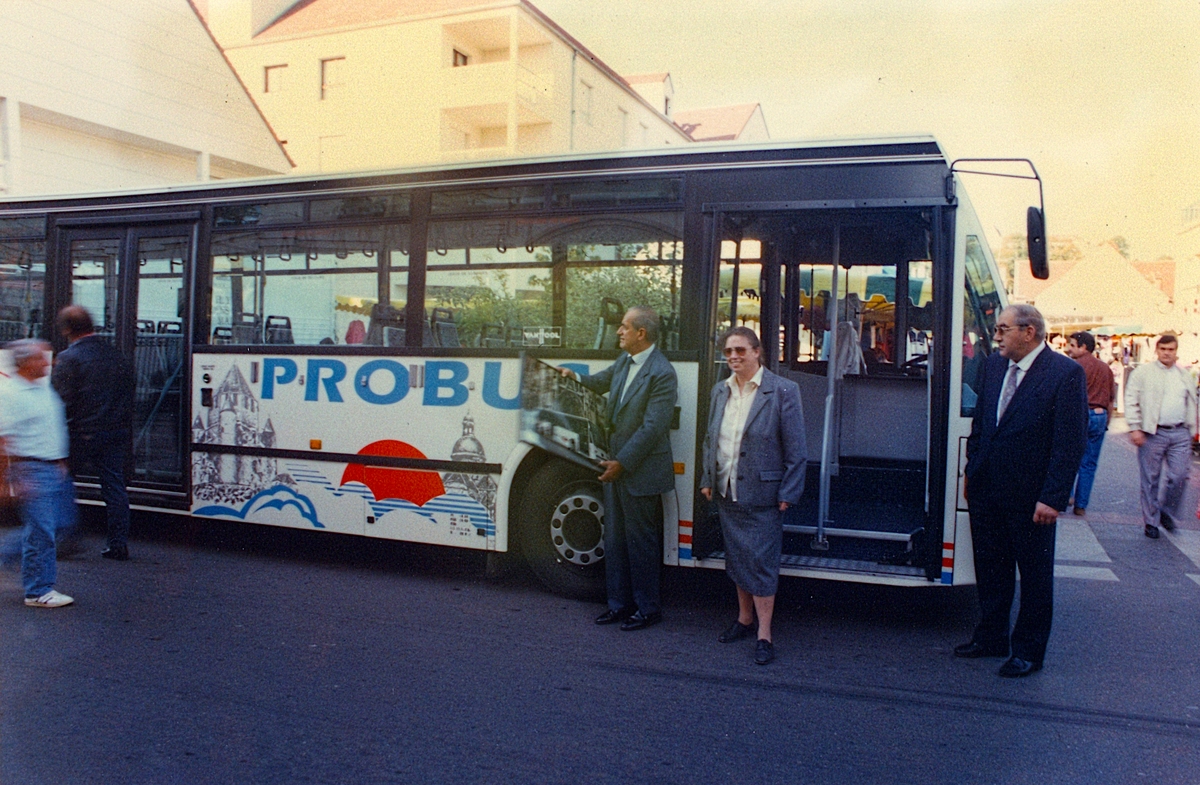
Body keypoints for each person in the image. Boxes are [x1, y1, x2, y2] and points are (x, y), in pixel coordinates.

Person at [956, 304, 1087, 677]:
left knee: (1033, 576)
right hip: (987, 490)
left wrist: (1052, 497)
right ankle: (991, 637)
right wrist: (971, 471)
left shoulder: (1065, 374)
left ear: (1028, 332)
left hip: (1032, 499)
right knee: (991, 568)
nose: (996, 335)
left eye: (1003, 328)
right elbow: (982, 425)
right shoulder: (994, 366)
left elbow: (1070, 443)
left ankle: (1028, 650)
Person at [562, 306, 677, 631]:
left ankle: (647, 609)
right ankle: (618, 605)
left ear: (641, 333)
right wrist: (577, 378)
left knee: (640, 543)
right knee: (614, 540)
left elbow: (653, 428)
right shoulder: (626, 361)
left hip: (637, 470)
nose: (618, 331)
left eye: (624, 327)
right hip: (615, 465)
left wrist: (622, 463)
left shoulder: (662, 372)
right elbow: (600, 382)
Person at [699, 327, 806, 666]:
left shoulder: (783, 391)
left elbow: (797, 449)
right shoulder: (721, 391)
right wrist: (707, 478)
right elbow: (709, 439)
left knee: (761, 564)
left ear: (757, 352)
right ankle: (744, 619)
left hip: (765, 494)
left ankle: (764, 633)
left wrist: (789, 491)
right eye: (729, 350)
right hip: (728, 490)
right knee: (738, 558)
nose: (734, 356)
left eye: (741, 350)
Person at [51, 305, 136, 560]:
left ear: (67, 330)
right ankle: (118, 544)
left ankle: (67, 536)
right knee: (114, 487)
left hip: (81, 433)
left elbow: (60, 400)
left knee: (61, 482)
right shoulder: (115, 354)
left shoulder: (68, 358)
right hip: (114, 431)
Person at [0, 340, 78, 608]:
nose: (48, 362)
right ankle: (38, 591)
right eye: (39, 359)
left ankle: (36, 585)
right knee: (43, 531)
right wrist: (6, 479)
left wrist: (59, 463)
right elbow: (2, 439)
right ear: (24, 364)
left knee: (47, 527)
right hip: (30, 468)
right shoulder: (11, 394)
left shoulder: (41, 389)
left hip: (52, 468)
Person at [1124, 333, 1197, 539]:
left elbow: (1191, 402)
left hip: (1180, 431)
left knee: (1180, 475)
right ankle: (1151, 521)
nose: (1167, 353)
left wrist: (1193, 428)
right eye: (1163, 349)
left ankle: (1167, 511)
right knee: (1151, 479)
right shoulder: (1143, 372)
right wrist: (1135, 427)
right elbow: (1131, 398)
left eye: (1171, 350)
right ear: (1157, 350)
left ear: (1176, 351)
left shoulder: (1184, 375)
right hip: (1152, 432)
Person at [1065, 331, 1115, 516]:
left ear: (1083, 347)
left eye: (1072, 345)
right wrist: (1106, 422)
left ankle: (1066, 497)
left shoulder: (1073, 367)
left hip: (1079, 414)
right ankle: (1080, 505)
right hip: (1099, 415)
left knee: (1068, 456)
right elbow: (1111, 399)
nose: (1068, 349)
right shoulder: (1105, 368)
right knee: (1089, 463)